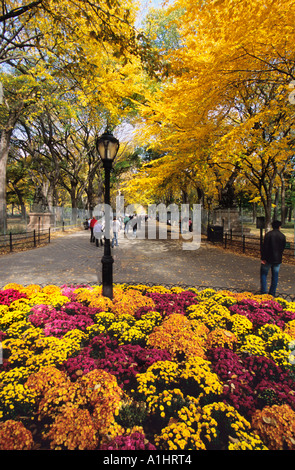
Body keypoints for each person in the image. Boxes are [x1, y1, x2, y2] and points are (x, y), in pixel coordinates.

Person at [260, 220, 286, 296]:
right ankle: (272, 293)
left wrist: (263, 258)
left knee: (264, 274)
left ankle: (263, 291)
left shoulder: (268, 235)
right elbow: (283, 248)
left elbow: (264, 247)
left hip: (267, 258)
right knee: (275, 276)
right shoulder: (282, 236)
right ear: (279, 226)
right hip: (277, 259)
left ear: (272, 226)